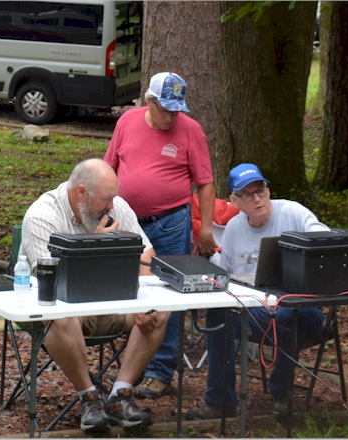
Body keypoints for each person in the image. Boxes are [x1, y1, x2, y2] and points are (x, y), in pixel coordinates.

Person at [20, 158, 169, 433]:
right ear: (81, 193)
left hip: (112, 304)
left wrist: (141, 304)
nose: (112, 205)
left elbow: (147, 258)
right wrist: (97, 245)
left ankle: (120, 395)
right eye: (106, 199)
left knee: (159, 310)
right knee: (59, 316)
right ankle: (88, 398)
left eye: (113, 197)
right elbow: (51, 281)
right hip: (62, 309)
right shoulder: (42, 215)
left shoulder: (117, 206)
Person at [104, 71, 217, 399]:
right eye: (164, 109)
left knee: (167, 293)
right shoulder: (127, 122)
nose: (170, 117)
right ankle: (132, 365)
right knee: (129, 289)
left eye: (176, 110)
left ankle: (160, 369)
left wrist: (206, 228)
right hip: (127, 223)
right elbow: (109, 165)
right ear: (149, 102)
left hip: (169, 223)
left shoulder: (191, 131)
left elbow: (205, 182)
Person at [186, 163, 327, 420]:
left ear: (268, 189)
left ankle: (281, 393)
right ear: (235, 201)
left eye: (260, 190)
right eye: (248, 195)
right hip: (257, 311)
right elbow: (227, 282)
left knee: (288, 315)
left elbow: (324, 241)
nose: (257, 198)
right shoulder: (234, 230)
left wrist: (300, 253)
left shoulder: (292, 213)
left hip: (302, 311)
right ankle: (220, 400)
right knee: (219, 315)